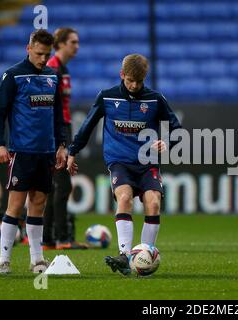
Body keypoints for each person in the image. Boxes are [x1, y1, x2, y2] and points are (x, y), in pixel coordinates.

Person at [67, 53, 181, 276]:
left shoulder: (155, 99)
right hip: (119, 161)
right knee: (125, 197)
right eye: (130, 80)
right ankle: (125, 255)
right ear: (122, 75)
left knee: (154, 202)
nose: (135, 85)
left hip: (148, 162)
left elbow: (177, 130)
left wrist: (166, 142)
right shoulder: (107, 98)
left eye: (139, 81)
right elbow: (87, 127)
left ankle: (144, 255)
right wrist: (72, 152)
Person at [0, 29, 67, 274]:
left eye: (47, 54)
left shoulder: (52, 76)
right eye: (39, 53)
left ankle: (37, 260)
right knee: (15, 204)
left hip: (46, 151)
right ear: (28, 48)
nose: (43, 59)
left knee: (38, 203)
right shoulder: (12, 75)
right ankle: (4, 260)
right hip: (22, 150)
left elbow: (57, 115)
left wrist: (61, 145)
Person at [42, 27, 87, 250]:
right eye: (73, 42)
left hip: (62, 128)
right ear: (60, 44)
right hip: (55, 131)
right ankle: (62, 238)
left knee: (55, 185)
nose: (76, 46)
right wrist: (59, 139)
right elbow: (49, 106)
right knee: (63, 183)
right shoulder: (52, 68)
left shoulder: (63, 68)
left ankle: (48, 239)